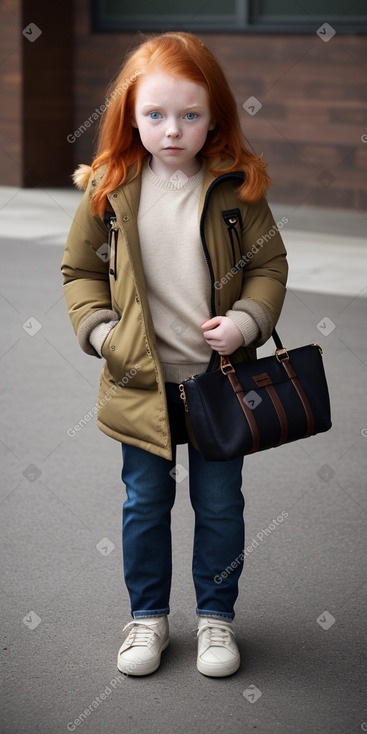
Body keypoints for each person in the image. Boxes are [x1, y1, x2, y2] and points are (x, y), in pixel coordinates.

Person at [61, 31, 288, 678]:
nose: (172, 130)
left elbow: (268, 264)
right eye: (155, 114)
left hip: (218, 383)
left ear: (214, 115)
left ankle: (216, 620)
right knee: (143, 502)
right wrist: (102, 334)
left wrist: (247, 321)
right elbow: (79, 271)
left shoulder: (235, 187)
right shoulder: (108, 189)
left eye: (190, 115)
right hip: (140, 381)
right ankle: (149, 619)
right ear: (129, 114)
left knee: (219, 505)